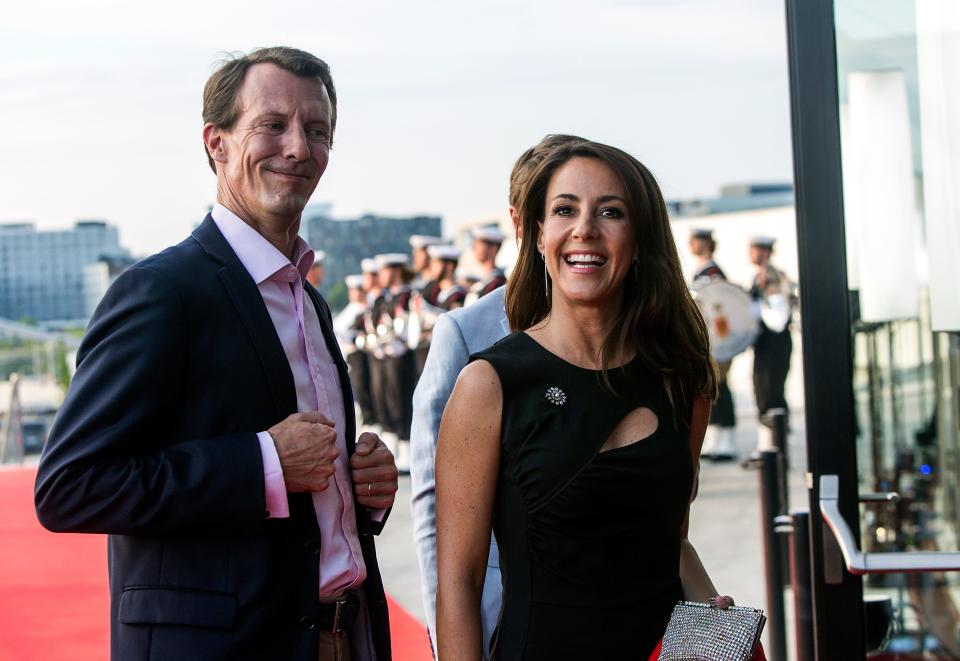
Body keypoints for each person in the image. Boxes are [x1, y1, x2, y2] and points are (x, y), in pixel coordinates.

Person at [34, 47, 398, 661]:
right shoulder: (161, 291)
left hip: (342, 635)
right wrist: (262, 464)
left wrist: (362, 489)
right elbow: (70, 485)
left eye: (317, 131)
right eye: (272, 125)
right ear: (217, 143)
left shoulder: (310, 301)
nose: (298, 148)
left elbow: (305, 498)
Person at [436, 140, 733, 660]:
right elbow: (459, 582)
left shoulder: (682, 379)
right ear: (538, 235)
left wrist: (714, 619)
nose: (585, 229)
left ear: (639, 239)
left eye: (611, 212)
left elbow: (672, 541)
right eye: (564, 210)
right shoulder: (489, 383)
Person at [411, 134, 583, 659]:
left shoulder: (629, 334)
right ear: (519, 221)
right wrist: (452, 634)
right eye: (556, 209)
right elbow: (433, 501)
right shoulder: (467, 332)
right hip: (502, 610)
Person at [689, 228, 737, 461]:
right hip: (706, 341)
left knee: (721, 387)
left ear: (706, 243)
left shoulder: (713, 272)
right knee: (710, 387)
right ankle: (716, 440)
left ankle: (728, 440)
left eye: (696, 240)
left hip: (717, 341)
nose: (692, 244)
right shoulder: (701, 271)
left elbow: (719, 308)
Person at [748, 235, 795, 438]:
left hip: (775, 341)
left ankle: (777, 440)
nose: (751, 254)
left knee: (771, 389)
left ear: (765, 252)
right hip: (764, 342)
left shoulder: (773, 277)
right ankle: (769, 440)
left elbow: (777, 317)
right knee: (762, 387)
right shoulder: (759, 277)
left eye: (755, 249)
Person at [465, 226, 507, 305]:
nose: (474, 247)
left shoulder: (497, 284)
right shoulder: (483, 282)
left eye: (479, 244)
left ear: (493, 249)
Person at [424, 244, 467, 311]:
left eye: (436, 263)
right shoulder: (436, 292)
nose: (431, 268)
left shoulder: (458, 296)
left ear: (449, 267)